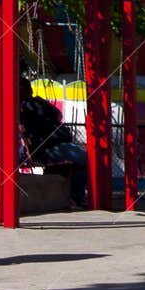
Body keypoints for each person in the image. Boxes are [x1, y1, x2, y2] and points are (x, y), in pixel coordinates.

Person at [18, 76, 90, 208]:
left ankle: (74, 194)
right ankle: (77, 196)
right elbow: (58, 115)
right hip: (46, 148)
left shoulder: (22, 107)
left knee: (77, 157)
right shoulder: (35, 104)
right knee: (82, 158)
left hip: (40, 147)